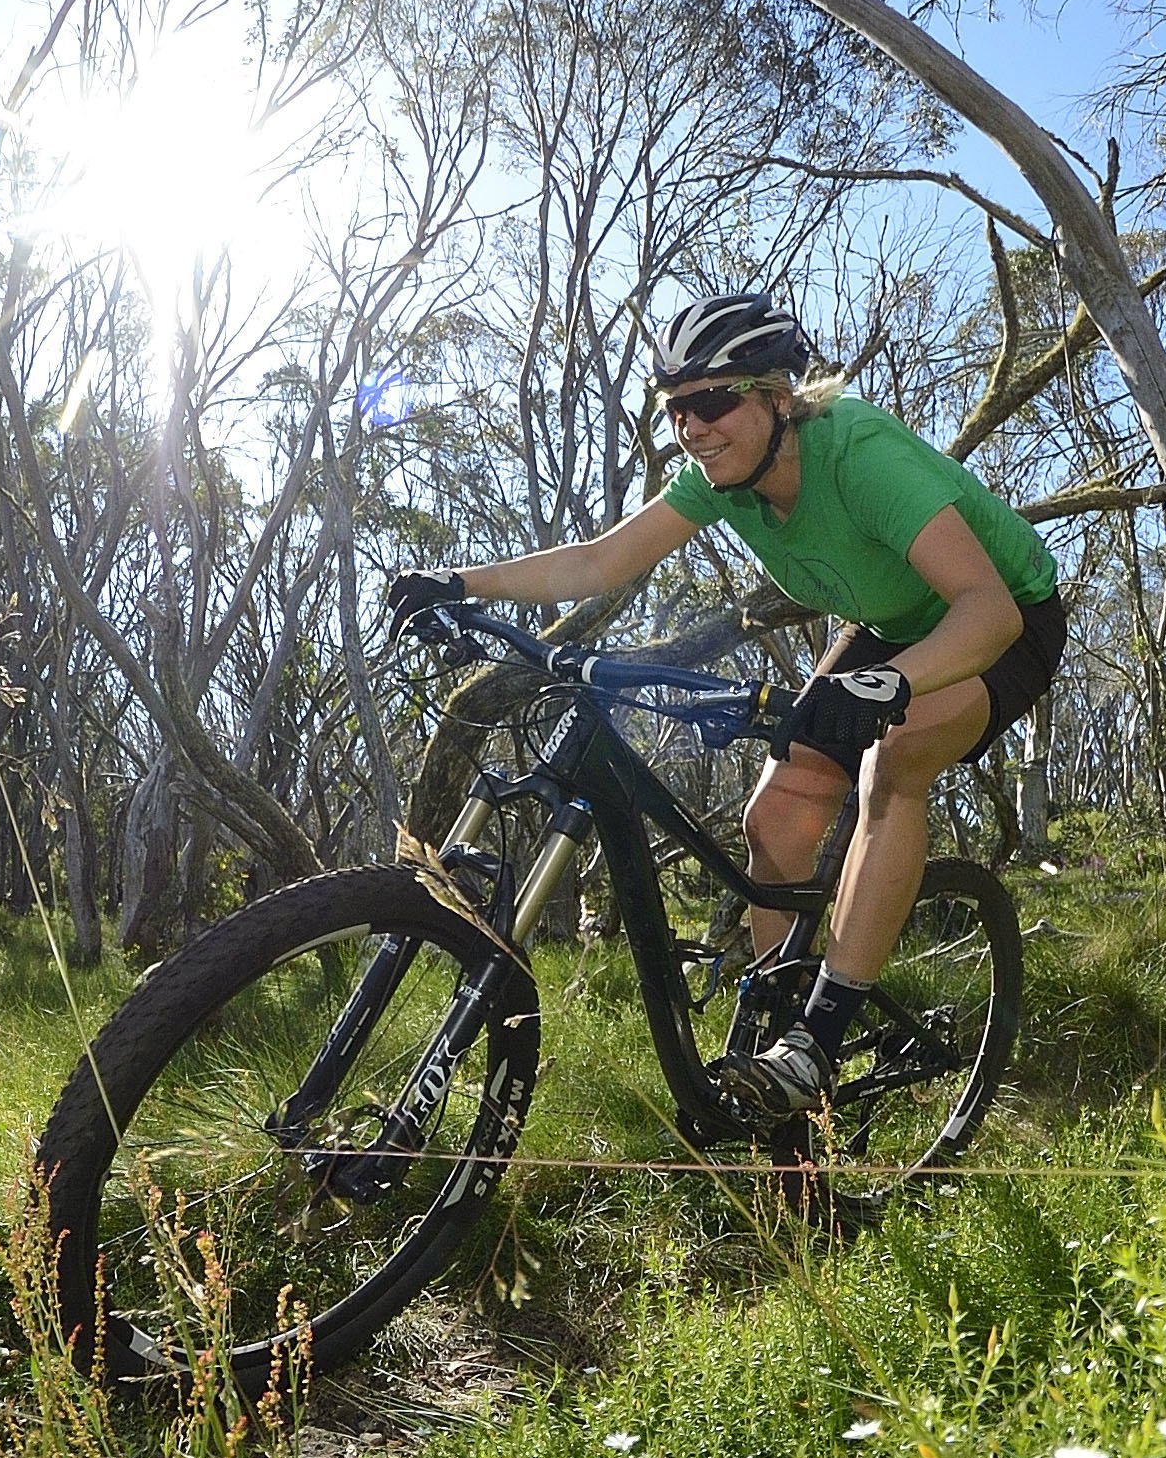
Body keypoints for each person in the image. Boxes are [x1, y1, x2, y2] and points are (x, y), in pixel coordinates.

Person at [385, 292, 1066, 1117]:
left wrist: (888, 684)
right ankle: (774, 1039)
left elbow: (986, 611)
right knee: (774, 815)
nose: (692, 427)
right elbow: (599, 562)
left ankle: (816, 1043)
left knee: (894, 759)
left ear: (778, 398)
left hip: (1001, 618)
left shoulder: (858, 452)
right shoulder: (722, 479)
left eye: (711, 401)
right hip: (891, 624)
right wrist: (460, 582)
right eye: (675, 408)